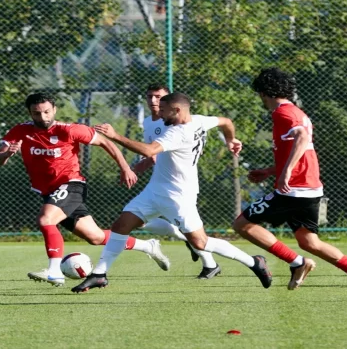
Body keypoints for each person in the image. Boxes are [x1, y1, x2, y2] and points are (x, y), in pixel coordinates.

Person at [72, 92, 272, 293]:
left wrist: (115, 136)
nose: (160, 114)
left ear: (177, 110)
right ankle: (99, 274)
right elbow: (226, 121)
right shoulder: (200, 121)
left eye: (164, 110)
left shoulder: (178, 132)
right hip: (154, 191)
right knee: (121, 225)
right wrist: (231, 140)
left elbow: (149, 151)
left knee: (200, 243)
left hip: (178, 195)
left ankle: (254, 262)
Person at [232, 68, 347, 302]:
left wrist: (286, 173)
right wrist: (271, 171)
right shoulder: (296, 111)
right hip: (309, 187)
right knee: (309, 241)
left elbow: (302, 138)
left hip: (294, 189)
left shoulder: (283, 113)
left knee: (242, 224)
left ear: (264, 93)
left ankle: (297, 263)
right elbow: (302, 150)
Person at [0, 93, 171, 287]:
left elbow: (105, 142)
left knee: (46, 220)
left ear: (54, 110)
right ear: (29, 113)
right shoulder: (20, 131)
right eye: (37, 113)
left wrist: (125, 168)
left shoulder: (69, 130)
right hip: (49, 192)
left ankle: (54, 272)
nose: (43, 117)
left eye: (46, 112)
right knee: (96, 237)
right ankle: (148, 246)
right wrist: (6, 154)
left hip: (71, 184)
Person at [135, 83, 221, 279]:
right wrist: (138, 166)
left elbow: (153, 152)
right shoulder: (149, 122)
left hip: (179, 185)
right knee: (137, 221)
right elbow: (152, 154)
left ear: (170, 102)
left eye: (158, 97)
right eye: (150, 96)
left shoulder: (176, 123)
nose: (153, 101)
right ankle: (204, 257)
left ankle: (215, 263)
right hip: (160, 183)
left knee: (191, 231)